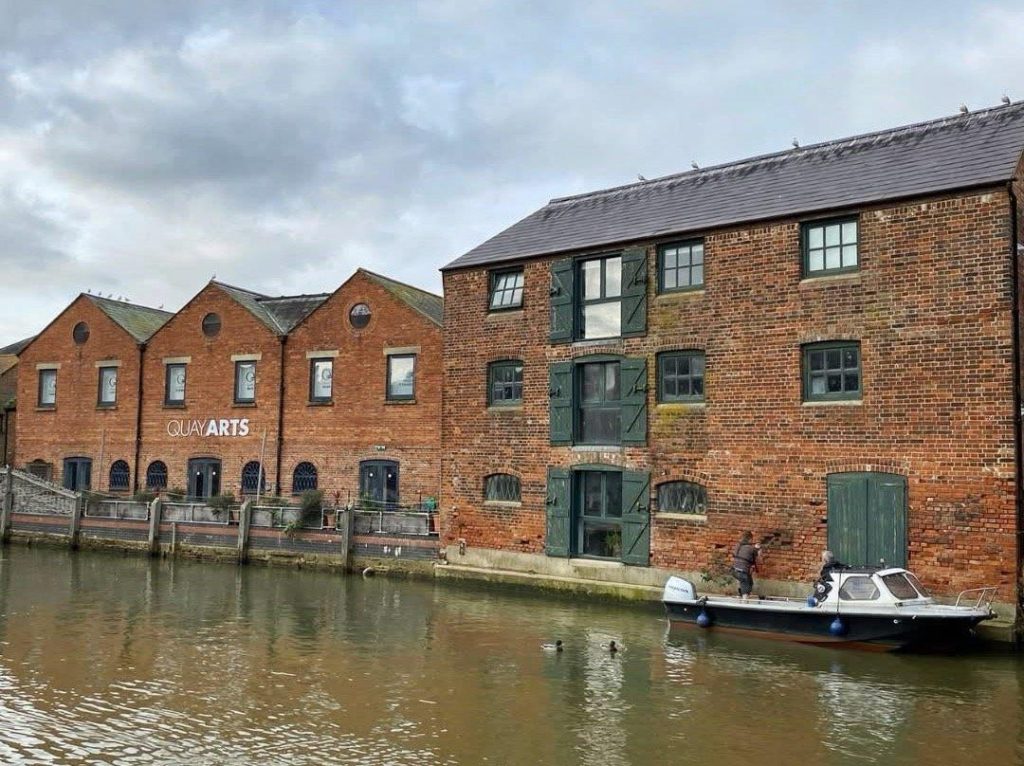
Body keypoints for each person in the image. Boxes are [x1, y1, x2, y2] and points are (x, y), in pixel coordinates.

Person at [732, 531, 760, 599]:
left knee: (750, 582)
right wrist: (757, 548)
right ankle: (744, 601)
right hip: (742, 572)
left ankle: (740, 595)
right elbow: (755, 555)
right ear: (750, 539)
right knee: (745, 585)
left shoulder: (738, 545)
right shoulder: (751, 548)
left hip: (734, 571)